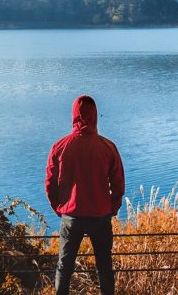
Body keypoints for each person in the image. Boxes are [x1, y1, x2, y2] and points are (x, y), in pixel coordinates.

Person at [45, 95, 125, 295]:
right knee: (104, 268)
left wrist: (59, 208)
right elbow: (118, 184)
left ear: (73, 116)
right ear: (95, 115)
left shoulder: (60, 147)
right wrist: (112, 208)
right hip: (100, 216)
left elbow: (49, 184)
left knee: (64, 268)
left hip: (72, 217)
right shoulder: (108, 147)